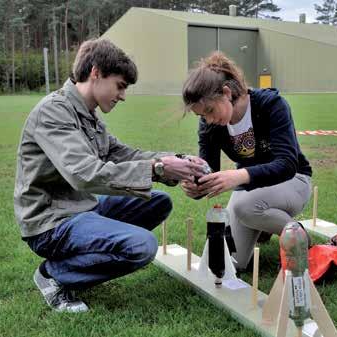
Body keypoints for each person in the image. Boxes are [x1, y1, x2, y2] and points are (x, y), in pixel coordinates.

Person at [14, 38, 206, 313]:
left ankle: (82, 261)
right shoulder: (53, 112)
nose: (123, 95)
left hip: (81, 208)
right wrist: (158, 169)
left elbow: (123, 154)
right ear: (96, 73)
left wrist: (177, 160)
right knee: (142, 246)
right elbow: (85, 175)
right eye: (120, 85)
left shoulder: (89, 116)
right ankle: (53, 274)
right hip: (51, 222)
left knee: (158, 202)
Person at [180, 51, 312, 271]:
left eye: (210, 110)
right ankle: (263, 227)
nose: (209, 120)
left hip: (295, 180)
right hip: (251, 188)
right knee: (231, 262)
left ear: (226, 92)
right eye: (202, 116)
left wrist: (239, 176)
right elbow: (209, 170)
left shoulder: (272, 105)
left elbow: (287, 164)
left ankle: (300, 239)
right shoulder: (210, 125)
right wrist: (197, 185)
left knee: (244, 206)